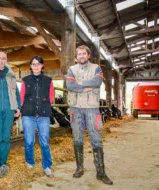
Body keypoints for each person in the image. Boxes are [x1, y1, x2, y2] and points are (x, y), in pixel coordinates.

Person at [66, 45, 113, 185]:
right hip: (75, 109)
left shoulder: (96, 68)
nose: (81, 56)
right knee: (77, 139)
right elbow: (70, 86)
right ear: (76, 56)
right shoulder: (71, 69)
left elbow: (97, 82)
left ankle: (101, 172)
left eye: (83, 54)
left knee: (96, 139)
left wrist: (79, 84)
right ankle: (79, 168)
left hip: (92, 108)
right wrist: (87, 87)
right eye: (78, 54)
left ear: (88, 55)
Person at [20, 56, 55, 178]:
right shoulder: (25, 80)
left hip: (43, 115)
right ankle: (30, 162)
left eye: (38, 64)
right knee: (29, 141)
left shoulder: (48, 80)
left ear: (42, 66)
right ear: (30, 66)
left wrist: (43, 107)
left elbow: (51, 97)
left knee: (44, 142)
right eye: (33, 64)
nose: (36, 66)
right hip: (28, 115)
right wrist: (22, 109)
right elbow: (22, 96)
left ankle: (47, 165)